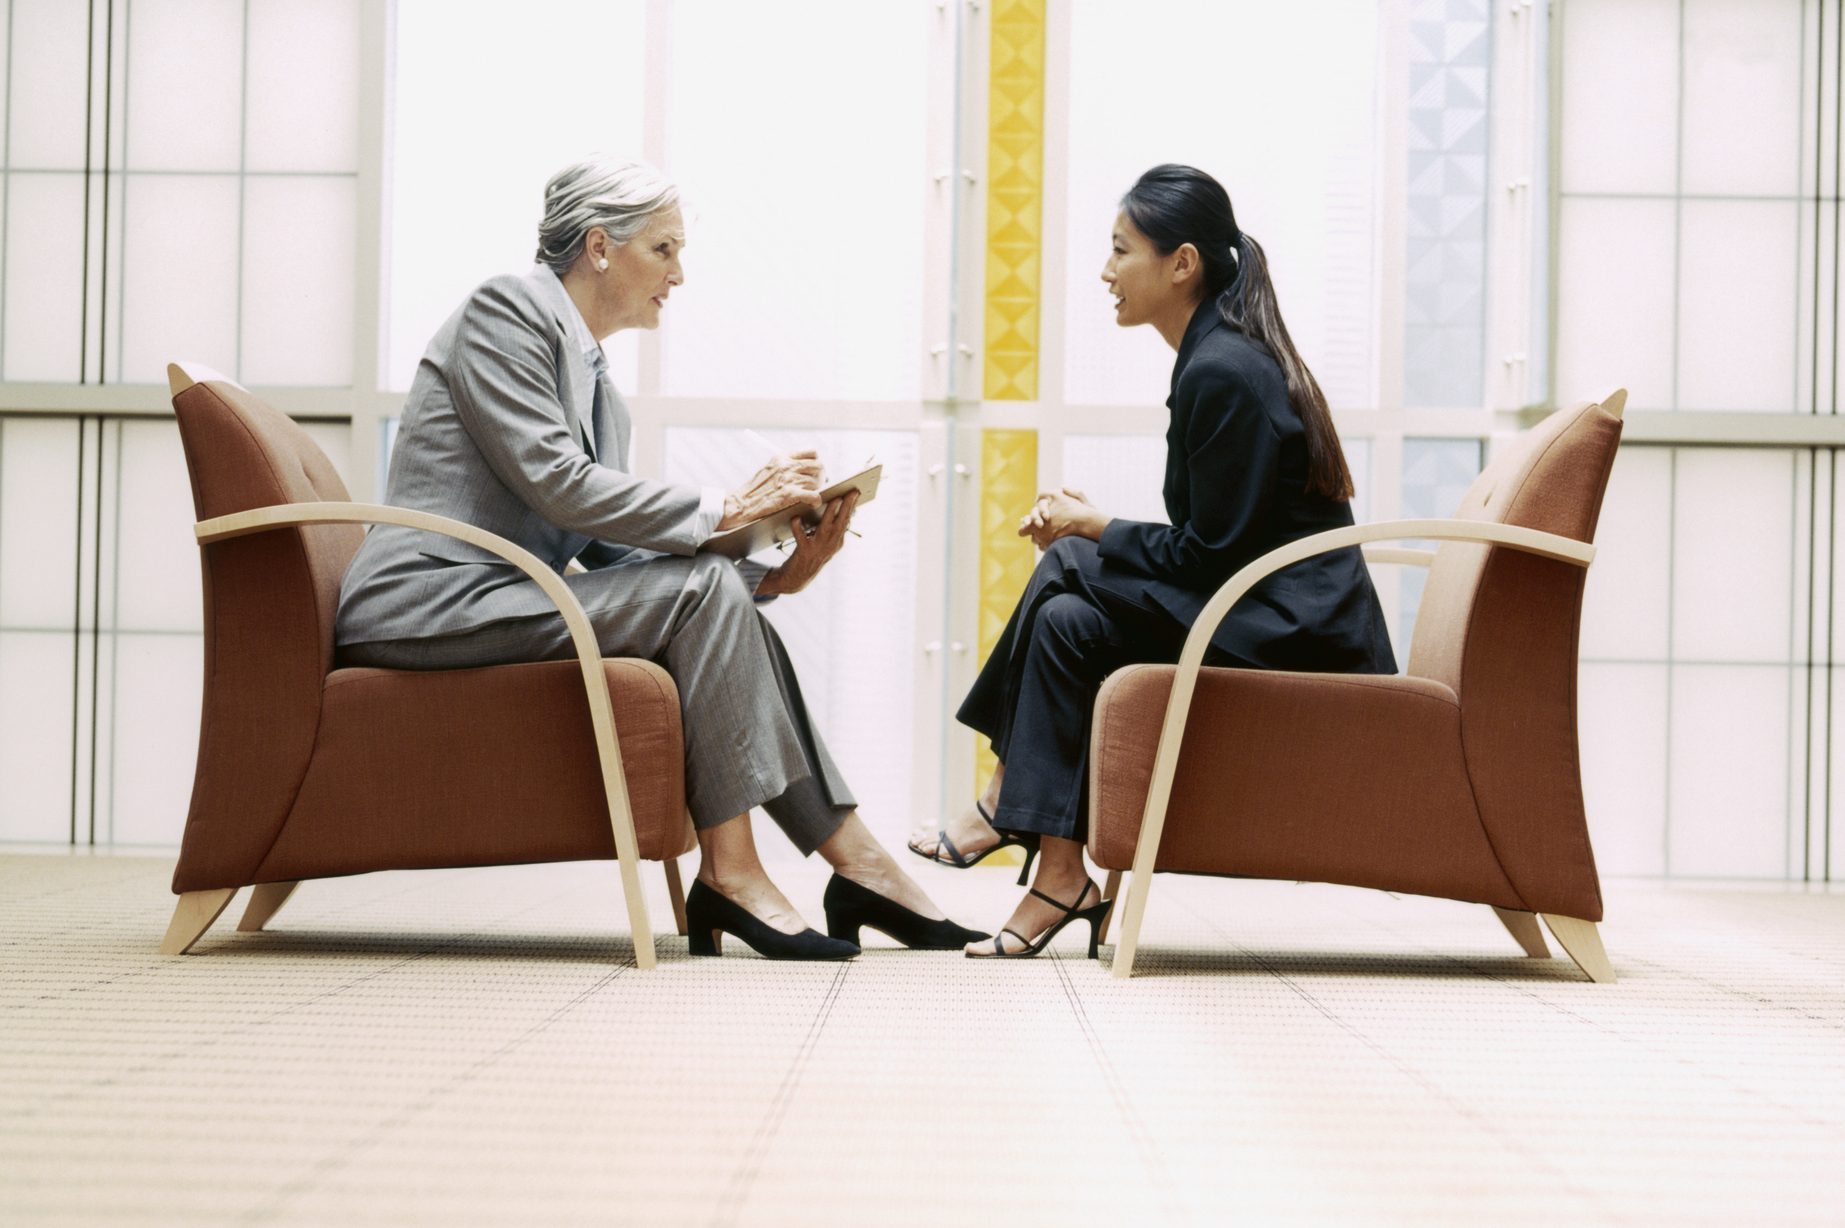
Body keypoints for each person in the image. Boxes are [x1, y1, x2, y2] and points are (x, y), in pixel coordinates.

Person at [335, 154, 985, 960]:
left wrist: (780, 568)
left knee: (723, 597)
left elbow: (612, 556)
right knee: (704, 587)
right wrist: (728, 508)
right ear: (599, 247)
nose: (679, 274)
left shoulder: (600, 389)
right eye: (664, 249)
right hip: (426, 602)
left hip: (503, 598)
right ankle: (737, 873)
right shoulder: (504, 312)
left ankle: (856, 864)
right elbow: (558, 484)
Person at [912, 163, 1397, 958]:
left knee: (1068, 564)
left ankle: (1003, 801)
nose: (1105, 272)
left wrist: (1093, 527)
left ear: (1181, 264)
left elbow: (1211, 556)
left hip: (1297, 636)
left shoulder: (1224, 371)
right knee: (1067, 618)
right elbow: (1217, 545)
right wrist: (1092, 529)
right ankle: (1058, 877)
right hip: (1255, 609)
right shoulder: (1216, 358)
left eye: (1119, 250)